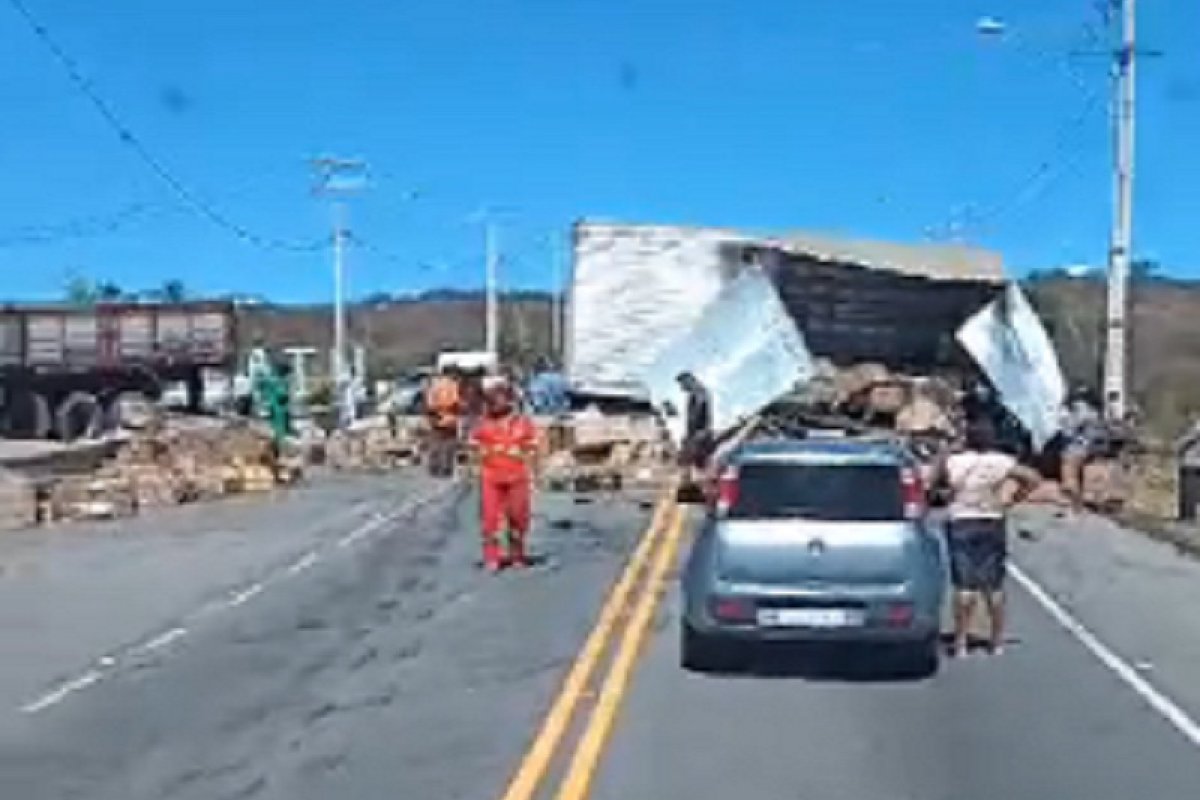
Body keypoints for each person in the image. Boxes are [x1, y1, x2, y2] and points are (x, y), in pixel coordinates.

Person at [937, 418, 1041, 657]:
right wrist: (1013, 499)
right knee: (993, 585)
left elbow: (934, 482)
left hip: (961, 520)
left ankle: (961, 641)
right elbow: (1033, 478)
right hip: (991, 518)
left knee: (964, 585)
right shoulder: (1000, 461)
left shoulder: (955, 462)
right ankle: (996, 641)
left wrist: (946, 453)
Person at [470, 379, 539, 572]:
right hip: (491, 477)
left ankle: (517, 554)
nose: (494, 405)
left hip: (517, 476)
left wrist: (523, 454)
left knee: (518, 516)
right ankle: (492, 557)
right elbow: (473, 445)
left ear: (509, 401)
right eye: (491, 401)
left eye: (499, 400)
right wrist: (483, 452)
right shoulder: (483, 423)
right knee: (490, 518)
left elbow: (533, 446)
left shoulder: (522, 423)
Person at [424, 368, 463, 478]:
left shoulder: (434, 386)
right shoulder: (453, 385)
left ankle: (434, 467)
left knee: (435, 444)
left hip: (436, 418)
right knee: (449, 445)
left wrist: (434, 416)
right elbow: (455, 402)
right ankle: (446, 468)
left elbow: (429, 404)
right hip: (450, 419)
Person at [676, 372, 714, 484]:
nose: (681, 387)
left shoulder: (700, 391)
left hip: (700, 434)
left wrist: (702, 431)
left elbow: (701, 414)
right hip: (696, 434)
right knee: (693, 463)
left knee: (699, 463)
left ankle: (703, 486)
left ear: (689, 380)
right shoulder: (694, 394)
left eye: (682, 384)